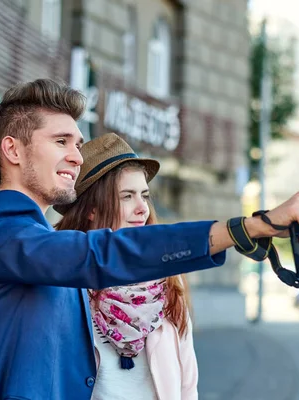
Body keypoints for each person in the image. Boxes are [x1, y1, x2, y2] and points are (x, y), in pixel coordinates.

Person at [0, 78, 299, 400]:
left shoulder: (38, 240)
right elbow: (95, 254)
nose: (76, 156)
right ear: (12, 150)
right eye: (60, 142)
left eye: (78, 144)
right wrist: (245, 228)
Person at [55, 132, 197, 399]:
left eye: (144, 195)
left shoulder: (166, 281)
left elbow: (188, 384)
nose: (143, 208)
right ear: (92, 209)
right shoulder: (65, 285)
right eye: (127, 196)